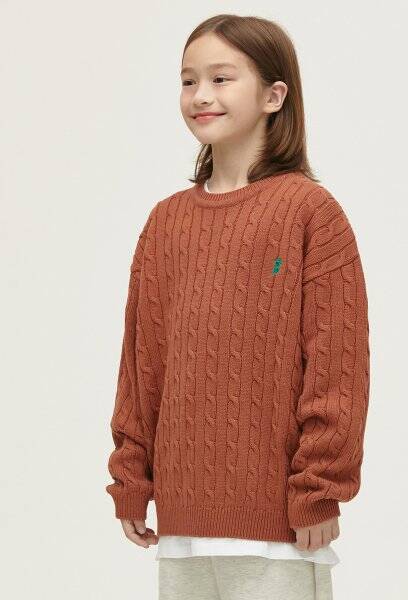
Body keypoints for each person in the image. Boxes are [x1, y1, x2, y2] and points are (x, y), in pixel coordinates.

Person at [105, 13, 370, 600]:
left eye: (221, 79)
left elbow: (337, 368)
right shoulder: (166, 222)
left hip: (278, 533)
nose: (201, 95)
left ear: (274, 96)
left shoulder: (310, 213)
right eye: (188, 81)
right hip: (182, 528)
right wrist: (131, 477)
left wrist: (320, 487)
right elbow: (142, 364)